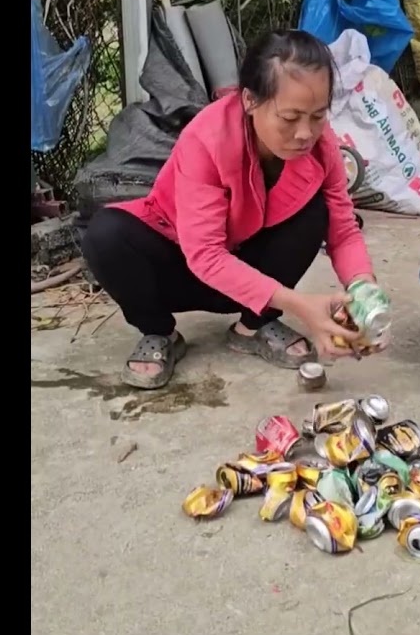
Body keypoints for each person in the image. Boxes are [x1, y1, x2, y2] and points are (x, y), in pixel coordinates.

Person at [82, 29, 385, 389]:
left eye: (317, 116)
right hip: (182, 264)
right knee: (105, 235)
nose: (305, 133)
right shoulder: (207, 139)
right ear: (250, 100)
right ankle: (159, 332)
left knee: (317, 210)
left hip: (248, 270)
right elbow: (205, 255)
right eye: (290, 118)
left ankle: (253, 326)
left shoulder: (322, 146)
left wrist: (365, 294)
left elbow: (343, 229)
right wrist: (301, 305)